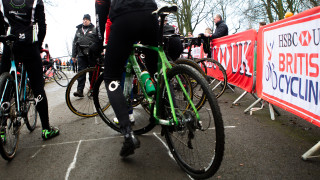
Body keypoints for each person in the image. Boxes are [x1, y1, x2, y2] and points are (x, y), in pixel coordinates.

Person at [96, 0, 159, 157]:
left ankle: (127, 134)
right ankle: (168, 110)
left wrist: (98, 42)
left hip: (124, 16)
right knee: (155, 69)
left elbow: (101, 9)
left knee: (111, 77)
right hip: (150, 14)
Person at [0, 0, 59, 140]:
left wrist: (4, 41)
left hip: (10, 43)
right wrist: (38, 45)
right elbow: (42, 27)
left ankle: (2, 130)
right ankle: (46, 129)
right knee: (38, 86)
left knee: (3, 84)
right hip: (29, 44)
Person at [71, 14, 99, 97]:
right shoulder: (79, 30)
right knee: (81, 73)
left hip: (91, 55)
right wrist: (73, 55)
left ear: (90, 20)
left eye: (87, 19)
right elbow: (74, 43)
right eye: (84, 19)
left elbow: (98, 42)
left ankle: (93, 90)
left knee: (92, 73)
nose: (85, 21)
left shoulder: (94, 29)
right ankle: (80, 90)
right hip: (81, 55)